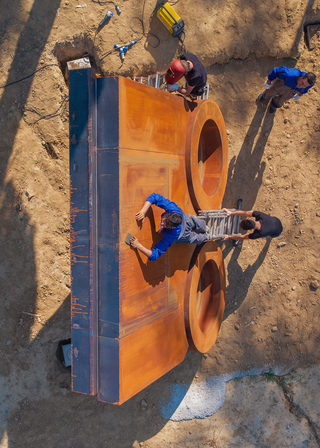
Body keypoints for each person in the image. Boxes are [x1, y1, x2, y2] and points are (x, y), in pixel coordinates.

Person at [130, 193, 208, 261]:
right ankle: (205, 229)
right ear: (168, 214)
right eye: (164, 221)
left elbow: (155, 255)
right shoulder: (172, 208)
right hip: (184, 218)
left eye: (166, 226)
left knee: (195, 237)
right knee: (194, 220)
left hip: (183, 234)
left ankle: (206, 236)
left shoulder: (171, 236)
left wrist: (138, 245)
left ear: (172, 228)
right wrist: (143, 211)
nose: (162, 224)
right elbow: (154, 196)